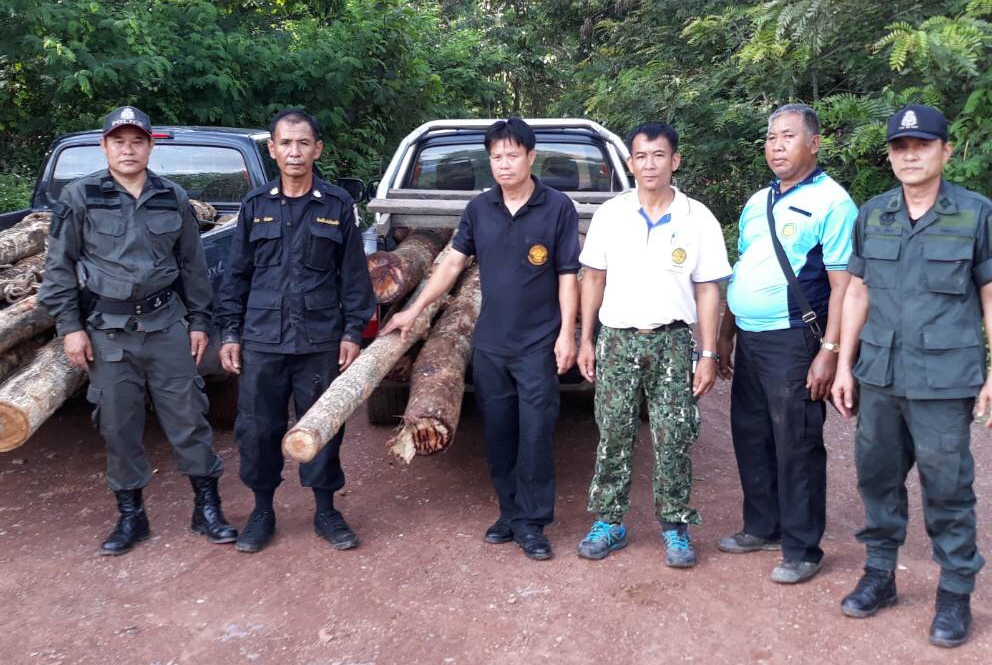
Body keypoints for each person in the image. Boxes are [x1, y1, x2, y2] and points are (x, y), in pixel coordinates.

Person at [829, 104, 992, 648]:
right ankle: (879, 575)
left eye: (922, 146)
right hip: (880, 376)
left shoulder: (976, 215)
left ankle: (954, 593)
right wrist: (844, 365)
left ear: (945, 152)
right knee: (876, 478)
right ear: (891, 156)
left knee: (948, 486)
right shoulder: (873, 215)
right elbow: (857, 292)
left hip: (944, 379)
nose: (910, 156)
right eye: (901, 148)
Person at [39, 106, 236, 556]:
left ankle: (207, 509)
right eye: (119, 141)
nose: (128, 150)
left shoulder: (172, 196)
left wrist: (199, 322)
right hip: (108, 332)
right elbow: (59, 269)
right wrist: (70, 328)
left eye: (137, 141)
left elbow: (193, 267)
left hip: (166, 326)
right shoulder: (80, 197)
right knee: (118, 425)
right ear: (104, 146)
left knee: (189, 419)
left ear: (150, 146)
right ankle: (132, 517)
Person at [383, 117, 580, 562]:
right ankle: (509, 512)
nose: (505, 164)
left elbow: (568, 275)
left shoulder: (557, 208)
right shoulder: (479, 208)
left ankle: (532, 522)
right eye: (496, 157)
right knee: (499, 432)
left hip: (537, 344)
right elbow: (452, 264)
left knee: (536, 434)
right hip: (489, 342)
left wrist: (566, 334)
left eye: (513, 155)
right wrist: (414, 311)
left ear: (531, 157)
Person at [216, 109, 376, 554]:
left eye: (303, 143)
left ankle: (325, 510)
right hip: (262, 339)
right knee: (257, 429)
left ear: (317, 149)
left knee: (323, 426)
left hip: (320, 339)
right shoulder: (255, 206)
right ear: (272, 149)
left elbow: (354, 277)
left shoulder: (337, 205)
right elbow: (236, 275)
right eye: (285, 143)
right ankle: (261, 511)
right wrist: (230, 333)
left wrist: (352, 332)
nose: (294, 152)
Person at [574, 122, 731, 568]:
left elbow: (708, 288)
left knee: (674, 434)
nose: (649, 164)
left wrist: (707, 353)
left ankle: (675, 525)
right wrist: (587, 339)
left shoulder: (697, 218)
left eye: (659, 155)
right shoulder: (611, 215)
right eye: (641, 156)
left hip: (673, 343)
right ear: (630, 163)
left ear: (674, 161)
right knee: (613, 432)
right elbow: (594, 278)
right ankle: (609, 522)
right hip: (617, 340)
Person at [716, 104, 857, 585]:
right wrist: (726, 333)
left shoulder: (834, 203)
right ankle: (763, 527)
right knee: (751, 433)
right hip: (751, 337)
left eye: (788, 137)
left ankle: (802, 548)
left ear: (813, 144)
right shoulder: (757, 202)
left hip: (796, 339)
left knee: (796, 443)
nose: (776, 146)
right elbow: (744, 268)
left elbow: (843, 287)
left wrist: (830, 353)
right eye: (772, 137)